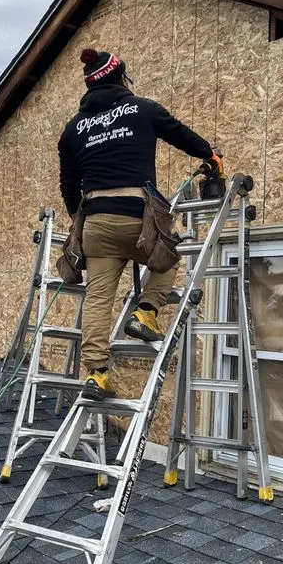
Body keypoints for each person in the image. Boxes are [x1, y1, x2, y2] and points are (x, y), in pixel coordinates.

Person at [58, 47, 220, 400]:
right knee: (167, 257)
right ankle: (146, 313)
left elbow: (69, 186)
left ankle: (97, 374)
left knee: (98, 298)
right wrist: (210, 154)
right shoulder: (142, 109)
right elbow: (181, 135)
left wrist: (79, 220)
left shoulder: (73, 129)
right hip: (138, 217)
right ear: (121, 78)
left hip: (96, 222)